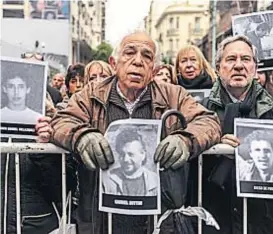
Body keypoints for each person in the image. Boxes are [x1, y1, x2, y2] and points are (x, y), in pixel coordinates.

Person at [48, 31, 221, 234]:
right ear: (114, 63)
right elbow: (61, 121)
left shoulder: (174, 94)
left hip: (156, 220)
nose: (138, 61)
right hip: (101, 218)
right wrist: (82, 136)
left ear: (154, 68)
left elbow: (208, 121)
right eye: (129, 53)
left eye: (147, 56)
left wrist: (186, 140)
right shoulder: (91, 93)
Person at [199, 35, 273, 234]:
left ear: (255, 69)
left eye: (246, 59)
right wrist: (213, 143)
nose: (239, 66)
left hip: (262, 220)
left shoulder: (271, 110)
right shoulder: (200, 111)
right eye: (231, 59)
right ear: (217, 67)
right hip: (213, 220)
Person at [102, 129, 157, 196]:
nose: (125, 159)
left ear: (143, 155)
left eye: (131, 154)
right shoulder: (108, 179)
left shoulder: (155, 180)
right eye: (122, 154)